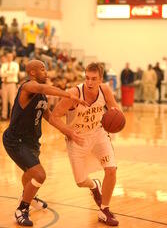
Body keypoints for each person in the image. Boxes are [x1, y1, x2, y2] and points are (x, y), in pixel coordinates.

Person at [2, 60, 87, 227]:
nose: (46, 71)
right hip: (15, 140)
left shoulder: (40, 96)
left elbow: (48, 116)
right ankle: (22, 209)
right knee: (39, 175)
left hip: (31, 141)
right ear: (32, 73)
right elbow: (42, 87)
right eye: (42, 69)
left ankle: (28, 196)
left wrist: (67, 131)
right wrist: (68, 94)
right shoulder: (27, 87)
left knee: (30, 173)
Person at [50, 62, 123, 226]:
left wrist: (116, 120)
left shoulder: (105, 90)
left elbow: (115, 111)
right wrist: (68, 132)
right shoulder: (74, 93)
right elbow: (54, 117)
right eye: (87, 78)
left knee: (111, 169)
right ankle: (94, 185)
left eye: (94, 79)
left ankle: (104, 210)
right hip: (77, 138)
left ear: (101, 79)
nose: (89, 82)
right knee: (80, 181)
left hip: (98, 134)